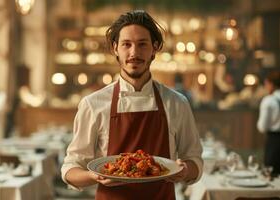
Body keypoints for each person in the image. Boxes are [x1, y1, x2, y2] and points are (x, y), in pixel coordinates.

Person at [61, 10, 203, 200]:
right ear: (115, 49)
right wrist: (93, 176)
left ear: (154, 48)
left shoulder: (177, 103)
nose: (134, 53)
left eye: (142, 44)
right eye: (126, 44)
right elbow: (71, 168)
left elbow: (195, 162)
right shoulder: (92, 104)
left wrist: (185, 170)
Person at [257, 70, 280, 176]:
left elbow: (262, 127)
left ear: (271, 84)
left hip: (274, 142)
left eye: (266, 84)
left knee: (271, 174)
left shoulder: (269, 101)